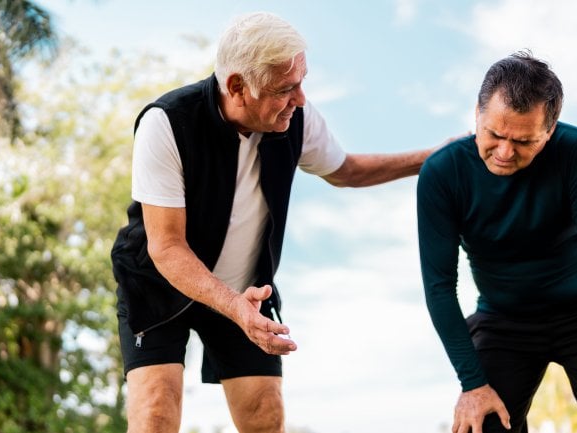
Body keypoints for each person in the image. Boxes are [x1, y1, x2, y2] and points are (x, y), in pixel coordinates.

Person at [110, 11, 435, 433]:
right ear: (236, 87)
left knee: (265, 416)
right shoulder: (166, 123)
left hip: (245, 288)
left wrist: (433, 158)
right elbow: (166, 247)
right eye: (285, 88)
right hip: (160, 285)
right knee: (156, 415)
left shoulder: (296, 117)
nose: (300, 98)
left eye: (301, 82)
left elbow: (347, 170)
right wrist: (234, 309)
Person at [417, 51, 577, 433]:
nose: (505, 152)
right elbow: (439, 287)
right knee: (482, 425)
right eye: (494, 134)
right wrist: (472, 384)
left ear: (549, 131)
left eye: (523, 141)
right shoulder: (442, 174)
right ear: (477, 113)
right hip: (504, 319)